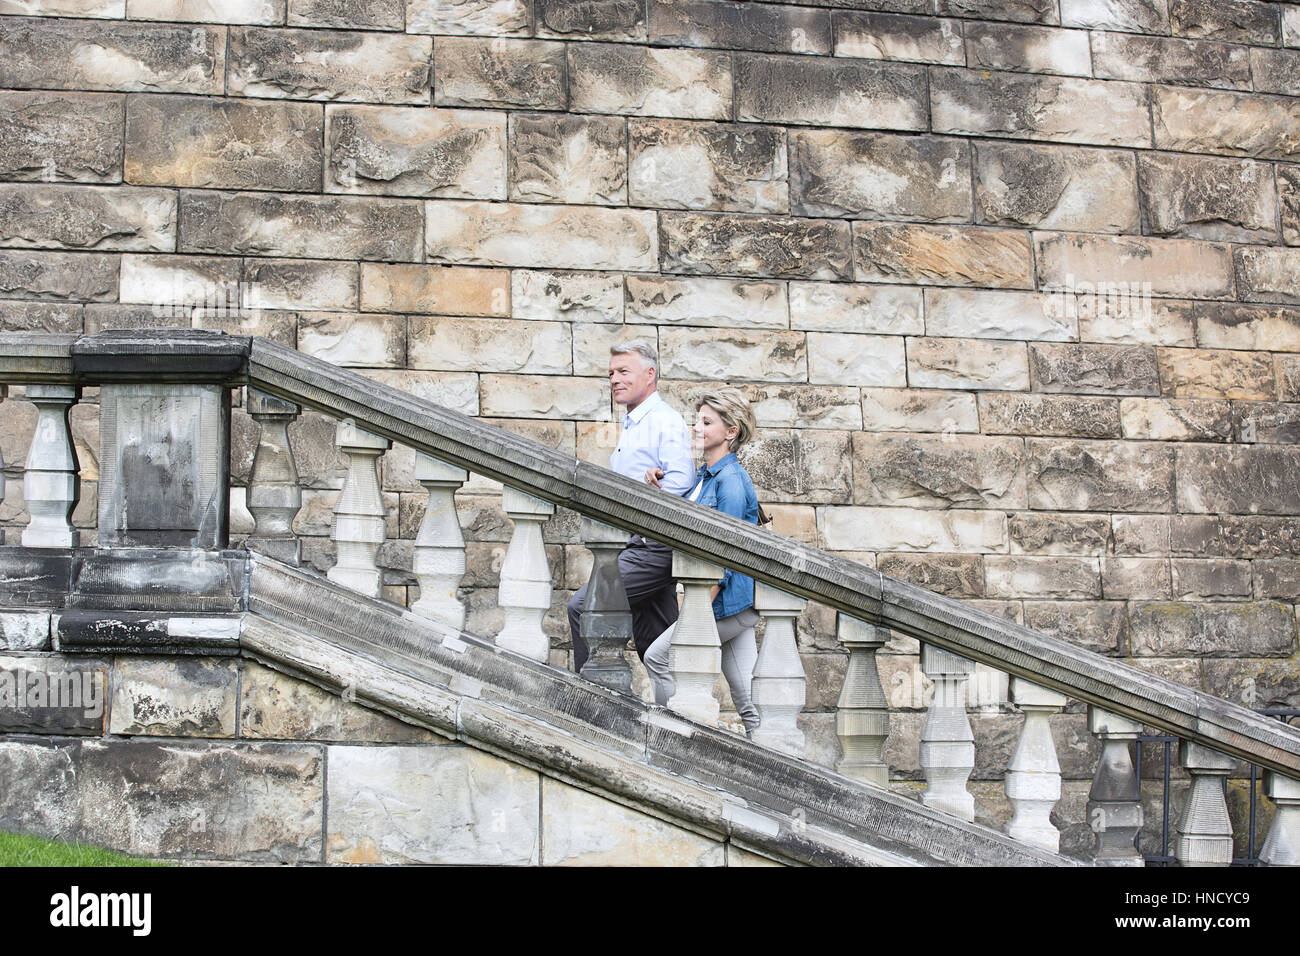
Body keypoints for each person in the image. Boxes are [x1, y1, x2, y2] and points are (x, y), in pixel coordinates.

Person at [567, 340, 695, 671]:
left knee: (585, 607)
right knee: (657, 649)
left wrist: (646, 491)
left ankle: (591, 698)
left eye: (624, 371)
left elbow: (681, 480)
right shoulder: (635, 421)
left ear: (650, 374)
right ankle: (679, 718)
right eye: (611, 373)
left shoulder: (663, 420)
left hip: (652, 549)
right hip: (637, 546)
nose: (614, 379)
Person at [643, 387, 762, 737]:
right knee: (750, 701)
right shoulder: (704, 476)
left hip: (725, 604)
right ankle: (782, 766)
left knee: (660, 657)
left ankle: (676, 738)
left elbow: (723, 556)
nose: (696, 427)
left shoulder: (732, 482)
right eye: (696, 420)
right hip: (727, 608)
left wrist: (695, 615)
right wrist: (657, 483)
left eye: (706, 422)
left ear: (731, 432)